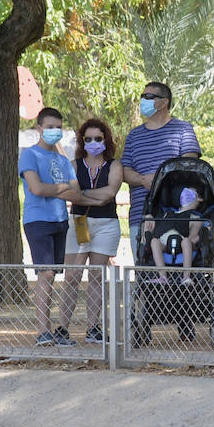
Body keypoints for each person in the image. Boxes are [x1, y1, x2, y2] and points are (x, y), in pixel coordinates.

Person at [56, 118, 123, 345]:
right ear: (82, 141)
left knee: (96, 276)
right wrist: (90, 196)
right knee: (72, 276)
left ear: (106, 139)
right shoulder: (74, 165)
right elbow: (69, 194)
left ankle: (94, 328)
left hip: (105, 225)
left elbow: (110, 193)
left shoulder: (114, 165)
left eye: (98, 138)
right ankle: (62, 328)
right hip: (78, 223)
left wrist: (83, 195)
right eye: (88, 139)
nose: (93, 142)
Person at [19, 107, 77, 346]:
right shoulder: (29, 155)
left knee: (54, 275)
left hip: (60, 220)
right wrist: (62, 188)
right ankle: (42, 330)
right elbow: (37, 188)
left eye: (58, 127)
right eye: (50, 127)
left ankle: (56, 330)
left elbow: (76, 189)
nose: (54, 131)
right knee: (46, 273)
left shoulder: (63, 160)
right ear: (39, 128)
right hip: (37, 221)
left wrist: (59, 188)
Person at [122, 82, 200, 246]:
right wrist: (143, 180)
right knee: (143, 268)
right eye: (142, 97)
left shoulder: (183, 129)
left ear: (164, 102)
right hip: (141, 215)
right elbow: (126, 170)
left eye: (149, 97)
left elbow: (190, 164)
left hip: (177, 216)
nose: (143, 100)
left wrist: (160, 180)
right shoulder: (133, 135)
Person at [143, 187, 205, 284]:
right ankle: (163, 277)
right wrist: (149, 217)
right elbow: (156, 226)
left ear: (199, 198)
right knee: (154, 241)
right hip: (164, 242)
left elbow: (192, 239)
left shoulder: (196, 218)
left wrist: (203, 235)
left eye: (192, 192)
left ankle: (186, 276)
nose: (186, 193)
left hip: (182, 243)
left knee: (186, 241)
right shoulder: (168, 213)